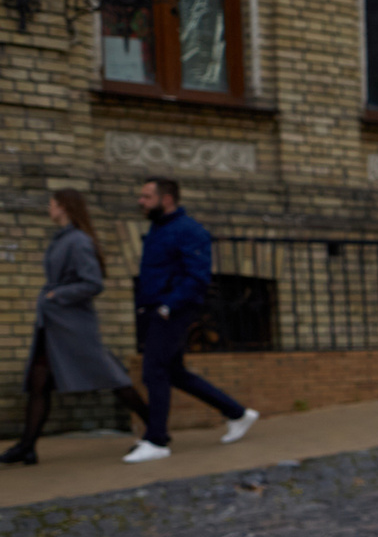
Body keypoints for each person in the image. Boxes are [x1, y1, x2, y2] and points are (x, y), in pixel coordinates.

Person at [3, 190, 149, 466]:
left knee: (111, 376)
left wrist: (56, 295)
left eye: (51, 204)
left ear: (63, 207)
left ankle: (155, 426)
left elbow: (93, 283)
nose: (48, 208)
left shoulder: (78, 241)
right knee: (39, 382)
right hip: (53, 324)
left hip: (72, 326)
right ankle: (27, 446)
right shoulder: (63, 238)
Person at [127, 178, 255, 464]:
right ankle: (237, 413)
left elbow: (198, 276)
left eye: (147, 196)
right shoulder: (159, 228)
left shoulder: (189, 230)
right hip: (155, 309)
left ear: (167, 199)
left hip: (172, 310)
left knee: (154, 372)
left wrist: (167, 306)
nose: (141, 202)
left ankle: (157, 440)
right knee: (174, 372)